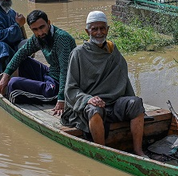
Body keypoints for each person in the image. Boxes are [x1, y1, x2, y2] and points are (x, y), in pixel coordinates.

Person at [62, 11, 146, 156]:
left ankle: (138, 150)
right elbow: (71, 88)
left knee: (136, 103)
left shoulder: (112, 50)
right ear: (87, 31)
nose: (99, 32)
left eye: (102, 28)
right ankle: (103, 152)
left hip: (114, 102)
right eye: (94, 29)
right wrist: (88, 98)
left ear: (107, 30)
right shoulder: (78, 53)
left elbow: (123, 79)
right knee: (94, 110)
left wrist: (132, 106)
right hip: (91, 105)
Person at [0, 10, 76, 115]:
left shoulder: (61, 39)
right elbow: (21, 53)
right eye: (35, 29)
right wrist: (5, 75)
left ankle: (31, 94)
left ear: (48, 23)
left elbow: (65, 71)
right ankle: (33, 88)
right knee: (23, 61)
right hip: (50, 74)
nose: (40, 32)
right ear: (31, 29)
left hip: (60, 87)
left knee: (14, 84)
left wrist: (61, 99)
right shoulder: (39, 37)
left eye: (42, 27)